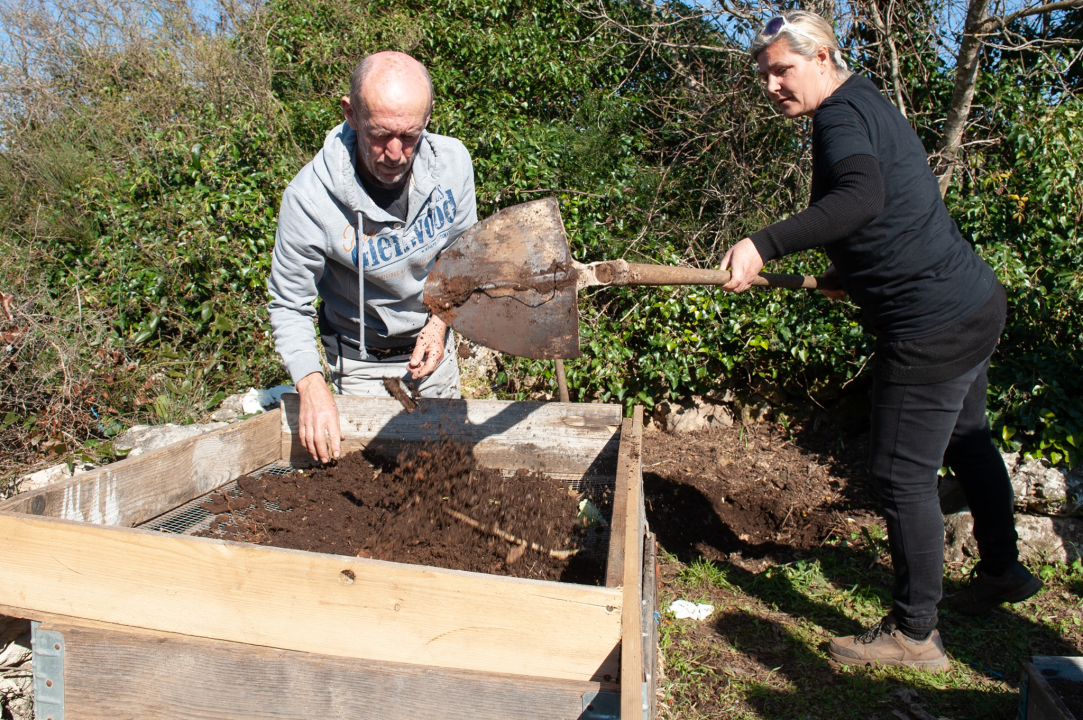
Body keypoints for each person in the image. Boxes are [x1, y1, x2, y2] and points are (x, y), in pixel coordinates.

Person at [722, 11, 1042, 672]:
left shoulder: (838, 117)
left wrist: (762, 241)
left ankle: (913, 635)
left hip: (929, 324)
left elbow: (862, 197)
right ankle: (1003, 572)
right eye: (763, 76)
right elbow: (895, 203)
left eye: (781, 70)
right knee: (966, 437)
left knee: (899, 475)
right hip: (972, 300)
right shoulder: (865, 99)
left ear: (819, 57)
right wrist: (854, 273)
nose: (771, 85)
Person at [268, 51, 477, 464]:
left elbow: (464, 257)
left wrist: (439, 325)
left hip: (434, 349)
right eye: (380, 135)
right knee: (374, 483)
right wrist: (312, 388)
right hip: (362, 365)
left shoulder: (453, 164)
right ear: (351, 114)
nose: (396, 153)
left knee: (445, 471)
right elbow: (289, 305)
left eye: (410, 136)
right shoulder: (309, 199)